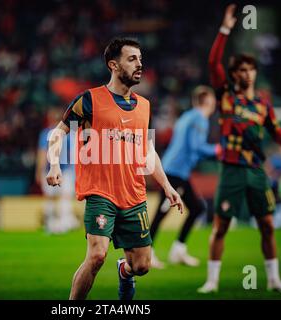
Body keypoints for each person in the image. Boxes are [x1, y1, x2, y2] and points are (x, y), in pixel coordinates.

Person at [46, 37, 183, 300]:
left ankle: (125, 271)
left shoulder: (144, 106)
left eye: (140, 59)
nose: (139, 64)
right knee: (97, 255)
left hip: (134, 195)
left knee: (141, 266)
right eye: (132, 59)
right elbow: (58, 132)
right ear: (113, 65)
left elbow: (147, 150)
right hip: (100, 193)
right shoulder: (89, 100)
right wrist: (54, 164)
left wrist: (167, 186)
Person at [198, 4, 281, 294]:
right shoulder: (225, 97)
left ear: (255, 72)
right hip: (231, 169)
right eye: (241, 70)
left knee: (268, 225)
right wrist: (224, 29)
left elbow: (276, 131)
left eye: (250, 69)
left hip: (257, 170)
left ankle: (273, 279)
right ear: (233, 75)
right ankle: (211, 281)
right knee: (220, 226)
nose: (246, 74)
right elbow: (213, 65)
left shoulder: (262, 104)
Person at [149, 85, 220, 269]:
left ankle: (178, 250)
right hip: (175, 173)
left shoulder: (187, 116)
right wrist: (218, 150)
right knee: (162, 212)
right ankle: (147, 253)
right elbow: (197, 146)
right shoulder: (199, 118)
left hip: (177, 170)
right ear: (208, 101)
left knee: (197, 208)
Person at [36, 108, 79, 234]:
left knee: (52, 198)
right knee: (63, 197)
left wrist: (39, 171)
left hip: (56, 170)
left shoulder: (47, 133)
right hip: (64, 171)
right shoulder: (68, 134)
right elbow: (74, 154)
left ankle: (52, 224)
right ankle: (63, 224)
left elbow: (42, 154)